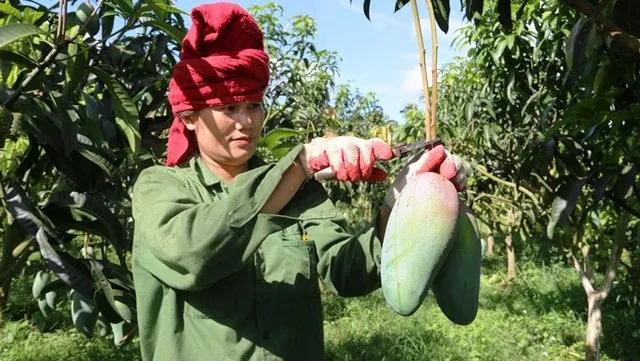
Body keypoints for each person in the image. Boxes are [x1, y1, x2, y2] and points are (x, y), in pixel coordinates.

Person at [131, 2, 468, 361]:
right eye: (229, 108)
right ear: (192, 117)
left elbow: (346, 271)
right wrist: (301, 164)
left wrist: (401, 202)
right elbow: (193, 254)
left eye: (254, 105)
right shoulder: (159, 188)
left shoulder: (298, 190)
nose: (246, 121)